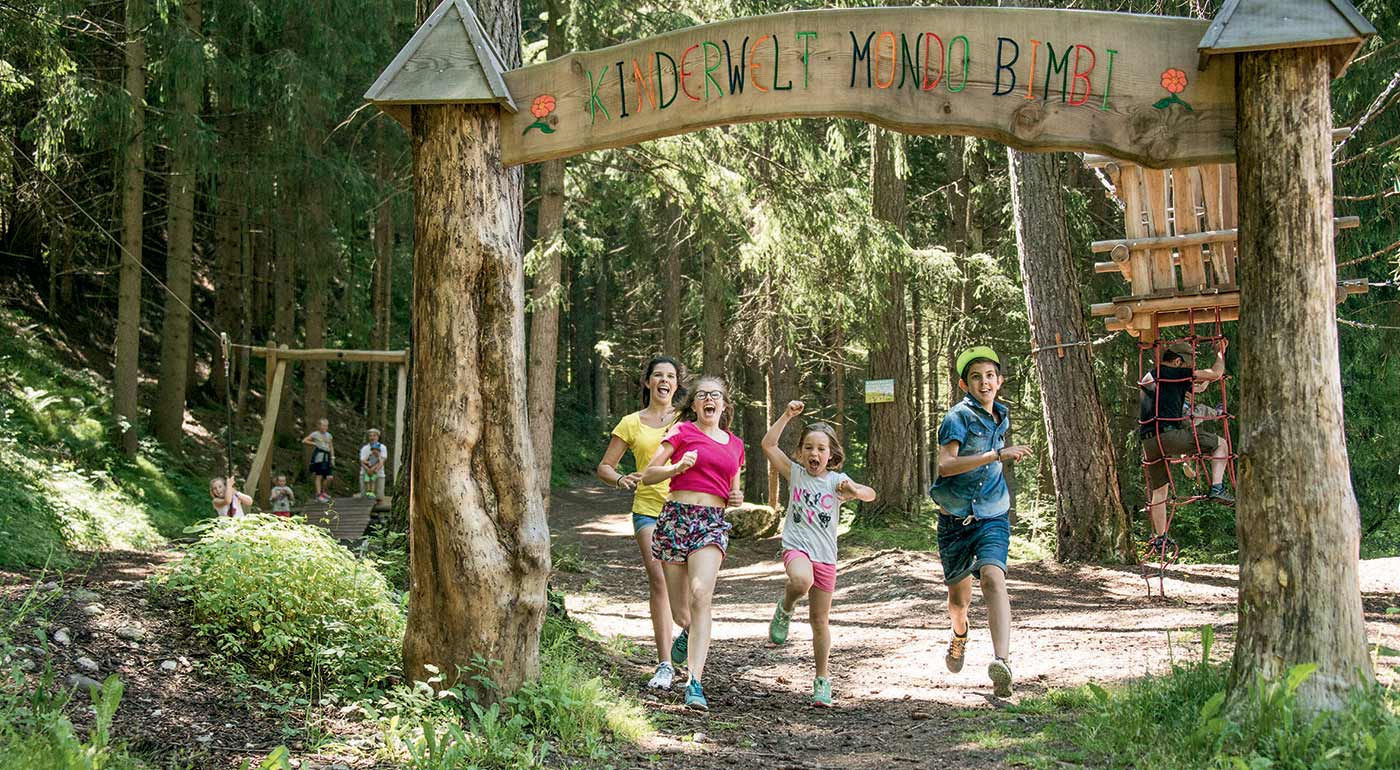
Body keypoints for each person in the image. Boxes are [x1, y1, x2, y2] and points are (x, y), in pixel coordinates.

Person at [929, 346, 1031, 699]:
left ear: (999, 381)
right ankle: (959, 634)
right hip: (954, 521)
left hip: (992, 514)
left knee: (993, 577)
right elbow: (946, 465)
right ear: (964, 384)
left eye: (990, 375)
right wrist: (996, 455)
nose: (984, 382)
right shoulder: (957, 417)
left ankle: (1002, 662)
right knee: (959, 602)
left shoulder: (1001, 415)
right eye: (976, 377)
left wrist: (998, 458)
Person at [762, 401, 875, 707]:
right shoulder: (795, 473)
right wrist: (787, 415)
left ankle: (822, 680)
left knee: (819, 620)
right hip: (797, 547)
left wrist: (854, 490)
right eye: (809, 448)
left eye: (821, 449)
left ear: (831, 455)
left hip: (826, 556)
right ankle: (785, 607)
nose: (814, 454)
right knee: (800, 581)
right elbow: (768, 444)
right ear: (800, 453)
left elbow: (869, 493)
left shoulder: (836, 482)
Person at [642, 374, 744, 711]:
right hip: (675, 518)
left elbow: (732, 488)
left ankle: (694, 682)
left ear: (723, 405)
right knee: (681, 611)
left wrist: (736, 496)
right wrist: (676, 468)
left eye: (716, 395)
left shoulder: (735, 444)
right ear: (694, 404)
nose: (709, 400)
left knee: (702, 595)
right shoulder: (681, 433)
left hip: (711, 523)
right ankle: (688, 632)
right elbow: (649, 475)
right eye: (702, 395)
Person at [597, 356, 689, 691]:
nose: (665, 380)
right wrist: (621, 479)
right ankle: (665, 664)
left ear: (677, 384)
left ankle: (690, 635)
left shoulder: (686, 420)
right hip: (648, 510)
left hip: (687, 510)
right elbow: (605, 466)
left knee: (690, 588)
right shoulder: (631, 423)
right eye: (658, 375)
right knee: (660, 581)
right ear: (647, 382)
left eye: (671, 376)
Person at [1139, 339, 1233, 554]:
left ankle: (1160, 538)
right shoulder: (1172, 371)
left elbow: (1198, 386)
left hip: (1149, 441)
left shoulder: (1153, 375)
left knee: (1159, 491)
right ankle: (1217, 487)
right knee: (1221, 444)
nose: (1189, 369)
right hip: (1169, 435)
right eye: (1188, 365)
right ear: (1178, 361)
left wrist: (1201, 381)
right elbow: (1216, 373)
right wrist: (1219, 353)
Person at [302, 418, 335, 502]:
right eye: (323, 425)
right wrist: (314, 443)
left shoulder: (329, 435)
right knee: (319, 475)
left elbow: (331, 446)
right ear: (319, 426)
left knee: (329, 477)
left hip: (327, 456)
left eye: (326, 426)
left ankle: (323, 492)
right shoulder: (315, 434)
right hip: (319, 456)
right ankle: (318, 494)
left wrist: (332, 458)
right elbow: (304, 441)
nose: (325, 427)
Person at [359, 429, 387, 499]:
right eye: (370, 436)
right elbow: (362, 461)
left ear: (378, 437)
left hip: (379, 474)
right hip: (365, 473)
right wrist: (368, 470)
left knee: (379, 497)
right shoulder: (365, 448)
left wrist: (373, 469)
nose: (372, 438)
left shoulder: (382, 447)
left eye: (374, 435)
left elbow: (382, 461)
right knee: (365, 497)